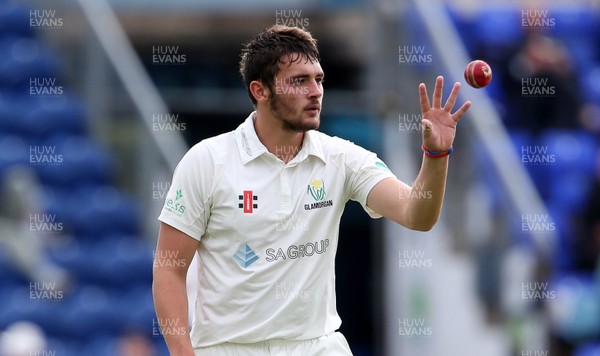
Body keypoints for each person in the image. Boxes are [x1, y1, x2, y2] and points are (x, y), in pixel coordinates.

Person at [152, 25, 471, 356]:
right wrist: (182, 352)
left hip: (318, 347)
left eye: (318, 79)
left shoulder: (343, 157)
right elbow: (169, 268)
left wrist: (436, 156)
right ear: (260, 91)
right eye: (299, 81)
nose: (315, 91)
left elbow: (416, 214)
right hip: (228, 348)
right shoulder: (206, 161)